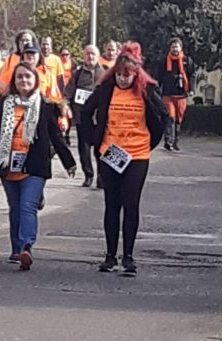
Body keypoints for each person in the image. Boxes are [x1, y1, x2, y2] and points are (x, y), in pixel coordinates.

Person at [81, 42, 168, 276]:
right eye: (118, 74)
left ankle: (128, 257)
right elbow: (85, 113)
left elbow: (163, 116)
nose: (122, 79)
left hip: (137, 154)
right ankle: (110, 256)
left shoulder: (146, 91)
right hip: (111, 152)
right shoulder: (105, 89)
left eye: (127, 76)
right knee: (112, 203)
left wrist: (150, 143)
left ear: (136, 74)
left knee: (131, 203)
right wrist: (95, 142)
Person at [0, 62, 77, 270]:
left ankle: (26, 246)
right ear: (14, 81)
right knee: (15, 207)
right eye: (19, 77)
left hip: (34, 166)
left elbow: (56, 136)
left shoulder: (45, 106)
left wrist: (68, 162)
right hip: (8, 166)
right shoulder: (2, 104)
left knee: (27, 206)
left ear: (35, 80)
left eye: (28, 77)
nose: (24, 80)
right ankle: (16, 249)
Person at [64, 45, 105, 188]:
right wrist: (67, 108)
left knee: (101, 149)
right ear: (83, 56)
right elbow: (67, 93)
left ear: (98, 56)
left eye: (93, 54)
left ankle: (101, 176)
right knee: (84, 149)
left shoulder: (105, 73)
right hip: (82, 118)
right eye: (87, 54)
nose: (90, 57)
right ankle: (88, 175)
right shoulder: (78, 74)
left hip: (100, 119)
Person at [157, 37, 195, 151]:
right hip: (167, 94)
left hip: (181, 95)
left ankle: (175, 142)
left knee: (178, 119)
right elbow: (159, 75)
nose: (175, 49)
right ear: (170, 48)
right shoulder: (164, 61)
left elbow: (192, 75)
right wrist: (157, 87)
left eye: (176, 46)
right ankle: (168, 141)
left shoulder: (187, 61)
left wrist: (191, 89)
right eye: (173, 46)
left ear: (180, 48)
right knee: (170, 117)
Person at [0, 29, 38, 94]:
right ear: (18, 42)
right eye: (22, 40)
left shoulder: (37, 58)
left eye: (27, 40)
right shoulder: (11, 58)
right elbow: (1, 79)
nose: (24, 43)